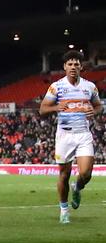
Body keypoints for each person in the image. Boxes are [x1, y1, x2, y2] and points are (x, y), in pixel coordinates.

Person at [39, 50, 102, 224]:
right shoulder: (56, 87)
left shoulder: (89, 86)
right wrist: (56, 107)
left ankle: (78, 187)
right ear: (64, 67)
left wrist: (94, 111)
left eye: (76, 64)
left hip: (83, 134)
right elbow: (42, 109)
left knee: (85, 173)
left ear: (81, 67)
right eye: (70, 64)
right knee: (64, 175)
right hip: (64, 135)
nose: (73, 67)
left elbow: (98, 106)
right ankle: (64, 210)